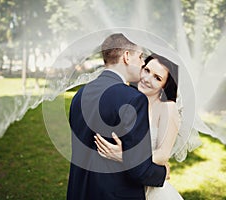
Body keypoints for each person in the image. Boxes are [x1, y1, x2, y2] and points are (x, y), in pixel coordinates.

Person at [67, 33, 170, 200]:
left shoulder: (79, 95)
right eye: (140, 56)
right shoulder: (133, 99)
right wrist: (163, 172)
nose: (143, 63)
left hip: (79, 192)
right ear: (127, 57)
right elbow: (140, 170)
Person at [94, 53, 184, 199]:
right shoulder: (127, 98)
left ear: (164, 86)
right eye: (147, 70)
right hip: (122, 184)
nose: (147, 79)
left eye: (157, 78)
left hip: (151, 189)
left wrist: (123, 157)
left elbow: (163, 154)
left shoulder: (167, 108)